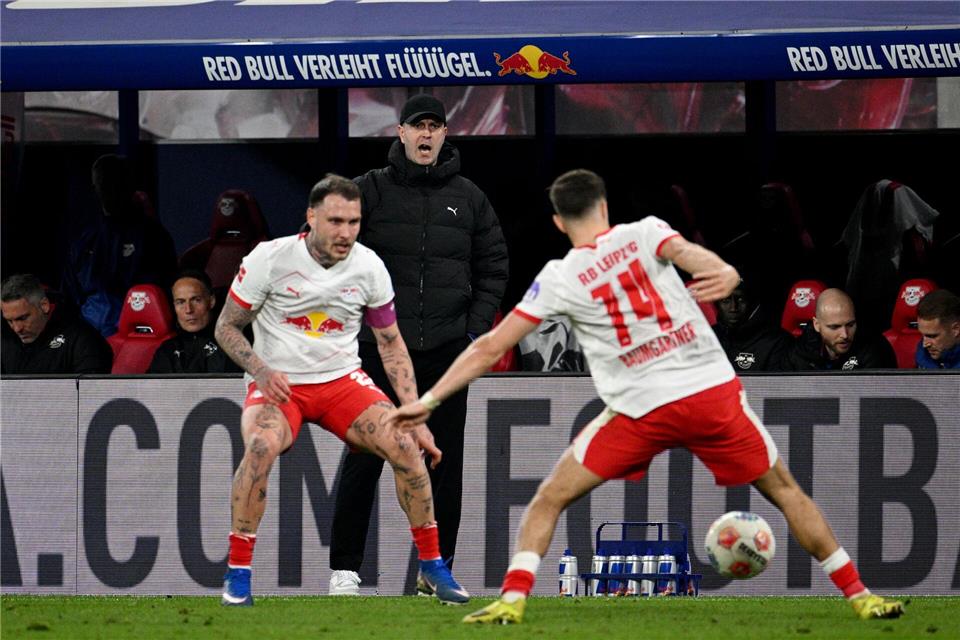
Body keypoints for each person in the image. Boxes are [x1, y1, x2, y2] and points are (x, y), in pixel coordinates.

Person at [386, 169, 904, 624]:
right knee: (787, 492)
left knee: (550, 498)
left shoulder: (560, 277)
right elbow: (698, 259)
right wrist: (723, 271)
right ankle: (860, 597)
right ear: (605, 209)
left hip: (641, 410)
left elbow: (491, 347)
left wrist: (429, 400)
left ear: (559, 224)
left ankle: (512, 601)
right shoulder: (646, 232)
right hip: (709, 395)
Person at [214, 174, 469, 607]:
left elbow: (390, 346)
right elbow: (226, 327)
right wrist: (259, 369)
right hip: (281, 385)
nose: (346, 232)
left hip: (340, 382)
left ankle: (432, 566)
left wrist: (414, 414)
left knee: (407, 444)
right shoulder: (269, 259)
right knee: (259, 446)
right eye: (336, 221)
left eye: (354, 222)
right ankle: (238, 574)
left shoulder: (368, 266)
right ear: (310, 217)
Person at [328, 93, 508, 596]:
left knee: (440, 464)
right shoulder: (371, 191)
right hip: (381, 350)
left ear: (446, 135)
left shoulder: (470, 197)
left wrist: (471, 330)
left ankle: (436, 567)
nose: (427, 135)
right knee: (364, 455)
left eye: (435, 126)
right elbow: (330, 247)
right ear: (400, 133)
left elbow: (494, 265)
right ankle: (345, 569)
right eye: (418, 126)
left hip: (447, 352)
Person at [61, 154, 178, 337]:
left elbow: (161, 293)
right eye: (104, 184)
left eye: (116, 183)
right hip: (88, 333)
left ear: (129, 186)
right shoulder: (84, 239)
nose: (111, 191)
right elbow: (70, 295)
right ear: (95, 189)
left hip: (135, 332)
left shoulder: (152, 236)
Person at [2, 273, 112, 374]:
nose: (17, 328)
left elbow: (91, 392)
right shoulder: (5, 340)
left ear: (44, 305)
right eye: (9, 321)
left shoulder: (83, 340)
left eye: (23, 318)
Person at [147, 269, 242, 374]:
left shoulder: (234, 345)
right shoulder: (166, 350)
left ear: (211, 301)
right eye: (180, 302)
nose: (188, 310)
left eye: (196, 300)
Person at [781, 288, 896, 371]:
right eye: (834, 327)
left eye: (850, 325)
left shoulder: (875, 349)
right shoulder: (799, 353)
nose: (845, 335)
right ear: (816, 325)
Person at [714, 279, 792, 372]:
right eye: (726, 300)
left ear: (752, 304)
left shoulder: (777, 341)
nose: (733, 308)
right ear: (717, 305)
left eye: (741, 299)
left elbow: (777, 385)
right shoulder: (707, 337)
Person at [915, 288, 960, 369]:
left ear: (956, 329)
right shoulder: (923, 354)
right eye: (923, 335)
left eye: (932, 336)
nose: (925, 344)